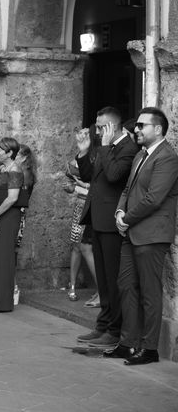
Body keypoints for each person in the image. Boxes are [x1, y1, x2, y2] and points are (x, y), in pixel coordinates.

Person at [111, 108, 178, 365]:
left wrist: (126, 219)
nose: (137, 129)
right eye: (137, 126)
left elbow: (154, 199)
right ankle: (127, 343)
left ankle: (149, 348)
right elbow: (128, 188)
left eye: (142, 125)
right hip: (131, 231)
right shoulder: (140, 155)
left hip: (151, 234)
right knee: (126, 286)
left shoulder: (167, 158)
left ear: (158, 129)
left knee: (150, 292)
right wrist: (119, 211)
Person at [75, 107, 138, 349]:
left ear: (113, 126)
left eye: (102, 127)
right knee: (101, 280)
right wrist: (83, 152)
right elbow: (91, 176)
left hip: (112, 224)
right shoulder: (106, 147)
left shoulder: (127, 149)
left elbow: (113, 176)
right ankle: (102, 325)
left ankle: (114, 329)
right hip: (97, 219)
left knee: (112, 279)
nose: (97, 131)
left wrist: (104, 145)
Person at [0, 137, 24, 312]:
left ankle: (3, 303)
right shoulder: (1, 169)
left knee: (3, 258)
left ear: (9, 153)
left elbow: (12, 198)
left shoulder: (15, 170)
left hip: (8, 217)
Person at [63, 157, 98, 305]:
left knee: (88, 247)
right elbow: (71, 175)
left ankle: (101, 289)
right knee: (76, 246)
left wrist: (77, 187)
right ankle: (72, 286)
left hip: (92, 207)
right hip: (80, 206)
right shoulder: (78, 158)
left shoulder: (98, 156)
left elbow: (96, 187)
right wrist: (72, 186)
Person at [15, 144, 37, 249]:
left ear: (24, 158)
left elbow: (17, 198)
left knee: (12, 246)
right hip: (17, 212)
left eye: (16, 154)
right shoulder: (23, 172)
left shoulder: (25, 174)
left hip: (16, 213)